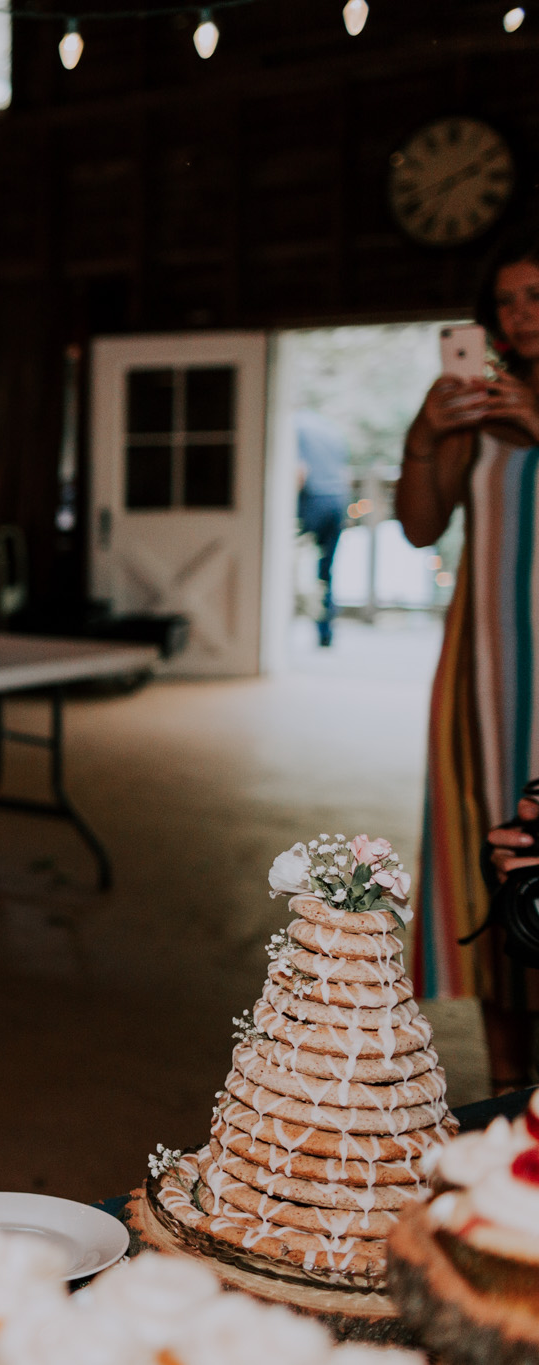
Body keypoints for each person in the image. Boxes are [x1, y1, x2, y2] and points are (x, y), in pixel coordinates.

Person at [399, 222, 539, 1086]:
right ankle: (508, 1091)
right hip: (488, 680)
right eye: (508, 301)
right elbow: (419, 525)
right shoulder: (476, 407)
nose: (522, 316)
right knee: (499, 873)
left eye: (538, 297)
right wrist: (424, 432)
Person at [295, 409, 352, 648]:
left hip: (311, 500)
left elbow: (299, 471)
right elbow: (344, 471)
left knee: (293, 566)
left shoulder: (294, 426)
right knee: (326, 569)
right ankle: (325, 632)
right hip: (337, 500)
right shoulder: (332, 430)